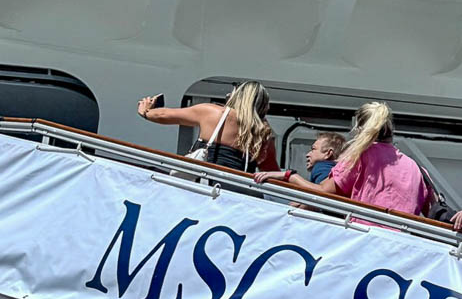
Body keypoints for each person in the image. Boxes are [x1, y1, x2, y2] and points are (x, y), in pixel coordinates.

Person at [255, 101, 431, 216]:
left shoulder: (359, 156)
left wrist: (290, 176)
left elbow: (323, 193)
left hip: (367, 237)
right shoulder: (415, 168)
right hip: (404, 246)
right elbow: (431, 210)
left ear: (359, 127)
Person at [137, 82, 278, 173]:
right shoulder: (263, 132)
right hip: (236, 194)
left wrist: (146, 111)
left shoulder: (215, 113)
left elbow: (163, 114)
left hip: (205, 185)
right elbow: (271, 171)